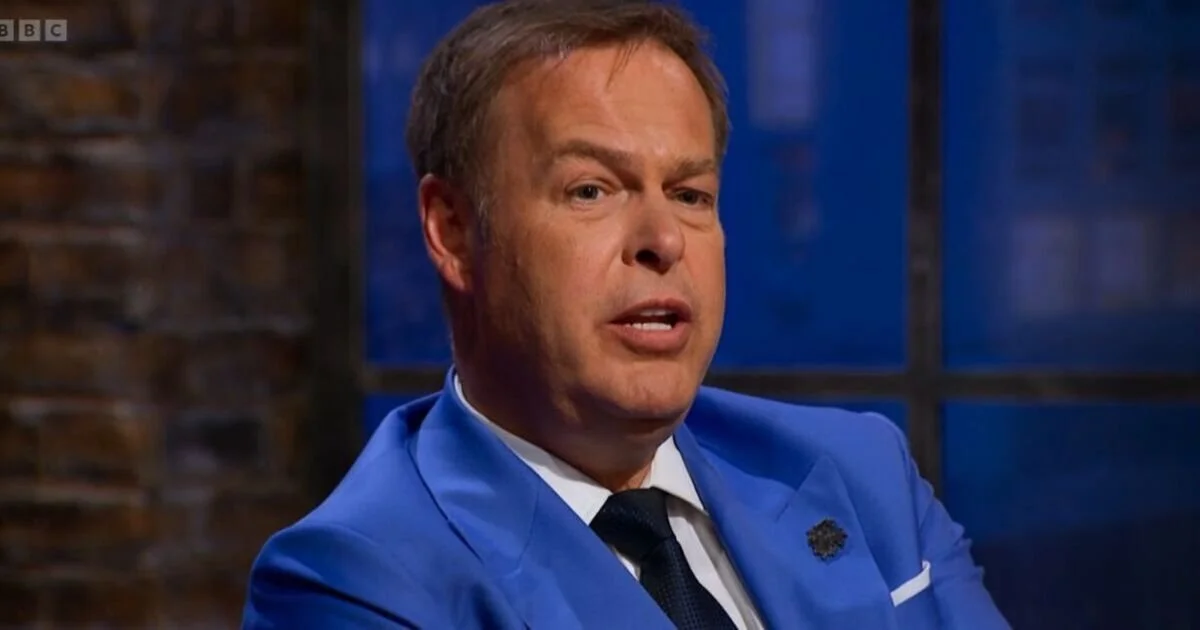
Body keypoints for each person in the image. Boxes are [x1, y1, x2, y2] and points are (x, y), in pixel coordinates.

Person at [243, 1, 1010, 628]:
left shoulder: (858, 472)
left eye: (690, 195)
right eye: (592, 191)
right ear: (452, 230)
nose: (662, 241)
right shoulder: (355, 581)